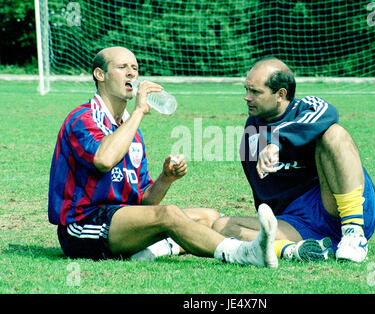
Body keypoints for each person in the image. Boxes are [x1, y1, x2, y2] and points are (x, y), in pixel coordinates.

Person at [47, 46, 279, 268]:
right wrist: (138, 111)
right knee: (169, 215)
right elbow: (104, 160)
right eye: (122, 67)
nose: (131, 73)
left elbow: (145, 203)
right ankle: (243, 254)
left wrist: (166, 178)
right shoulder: (84, 118)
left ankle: (154, 249)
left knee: (208, 218)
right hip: (83, 226)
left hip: (121, 221)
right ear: (101, 74)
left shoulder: (131, 133)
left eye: (135, 68)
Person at [212, 57, 375, 263]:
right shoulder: (253, 131)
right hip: (298, 222)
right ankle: (297, 250)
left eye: (255, 92)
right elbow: (263, 192)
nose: (247, 97)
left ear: (280, 94)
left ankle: (353, 233)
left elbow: (329, 113)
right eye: (246, 90)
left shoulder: (308, 107)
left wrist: (277, 141)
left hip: (339, 206)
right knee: (222, 227)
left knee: (334, 134)